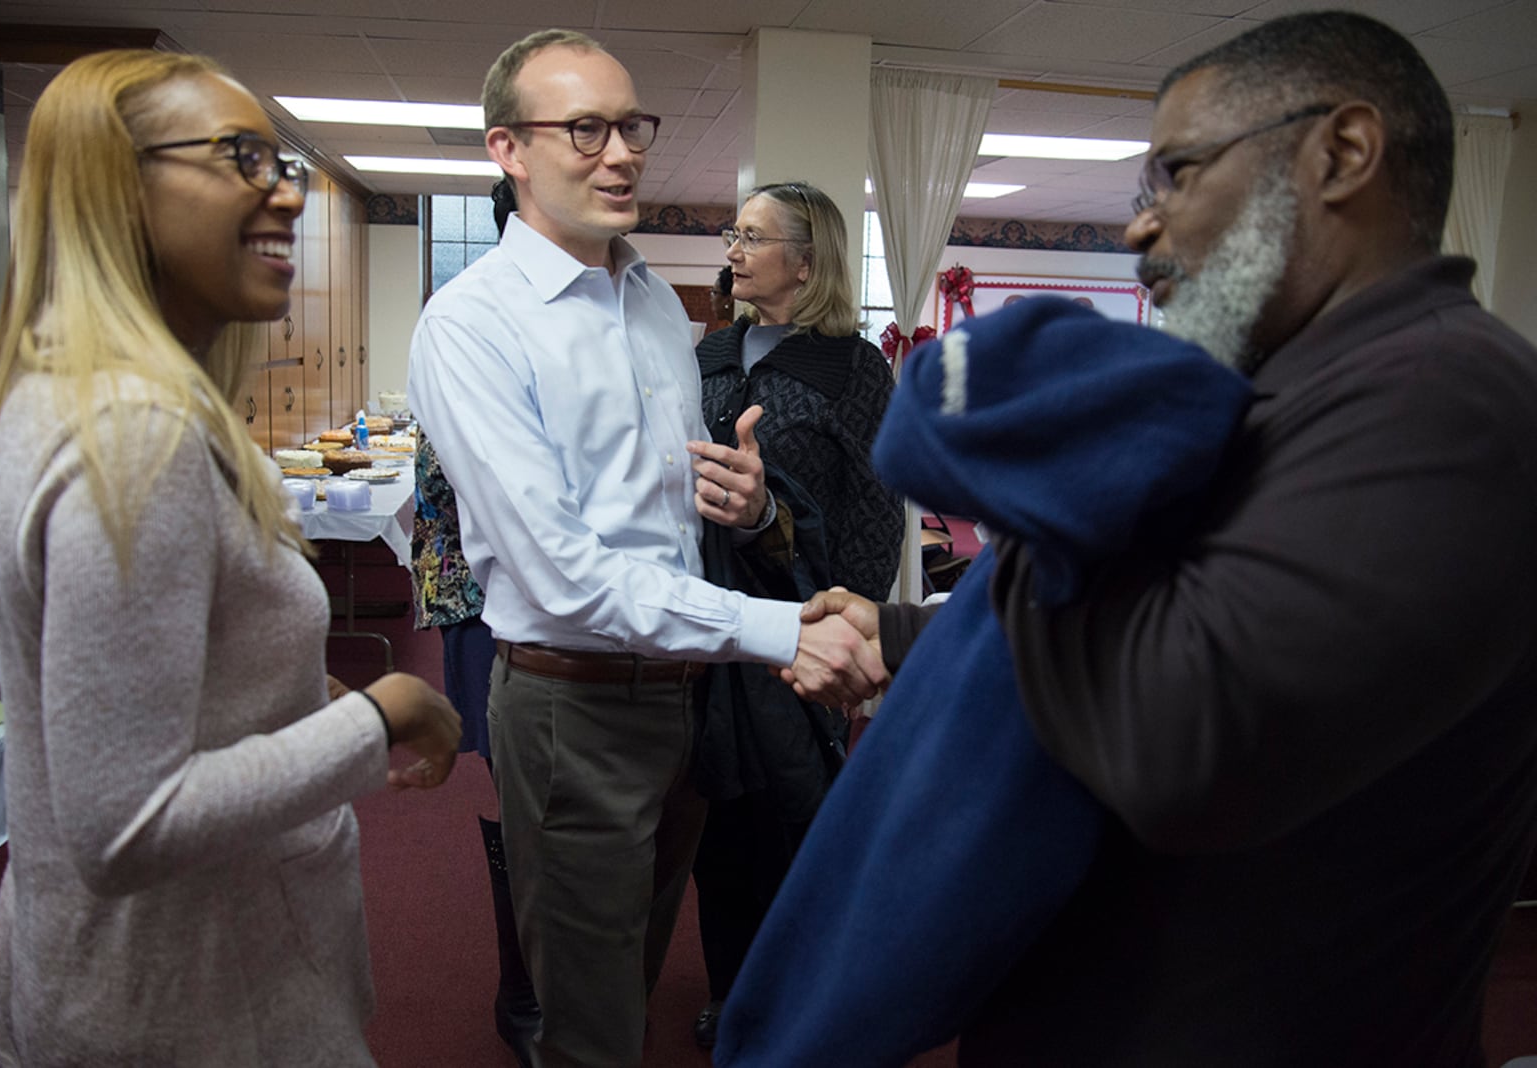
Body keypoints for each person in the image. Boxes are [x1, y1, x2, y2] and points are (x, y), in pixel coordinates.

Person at [768, 11, 1537, 1066]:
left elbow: (1183, 741)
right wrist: (910, 633)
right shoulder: (1296, 389)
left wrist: (1038, 532)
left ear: (1341, 152)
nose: (1141, 228)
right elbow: (1201, 603)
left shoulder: (1445, 398)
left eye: (1178, 174)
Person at [0, 50, 462, 1065]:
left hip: (105, 974)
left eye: (278, 162)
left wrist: (256, 682)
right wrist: (382, 712)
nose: (283, 193)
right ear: (118, 185)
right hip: (193, 997)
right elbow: (124, 828)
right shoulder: (139, 432)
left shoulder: (51, 395)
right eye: (241, 158)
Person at [405, 29, 884, 1068]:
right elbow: (559, 575)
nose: (621, 152)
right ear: (508, 150)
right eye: (585, 128)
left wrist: (749, 510)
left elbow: (673, 515)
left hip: (689, 692)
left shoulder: (657, 305)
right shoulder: (472, 324)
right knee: (590, 1023)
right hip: (576, 704)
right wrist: (779, 631)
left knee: (638, 970)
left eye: (632, 126)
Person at [690, 179, 902, 1048]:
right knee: (719, 822)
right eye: (732, 234)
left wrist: (850, 632)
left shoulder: (852, 367)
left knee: (798, 820)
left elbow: (877, 507)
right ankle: (732, 991)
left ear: (806, 261)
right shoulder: (709, 353)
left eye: (751, 236)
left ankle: (803, 997)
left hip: (805, 623)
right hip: (708, 624)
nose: (732, 250)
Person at [408, 175, 540, 1066]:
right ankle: (523, 989)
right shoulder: (470, 319)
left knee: (548, 782)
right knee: (513, 774)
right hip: (483, 596)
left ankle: (552, 980)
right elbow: (436, 482)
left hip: (553, 602)